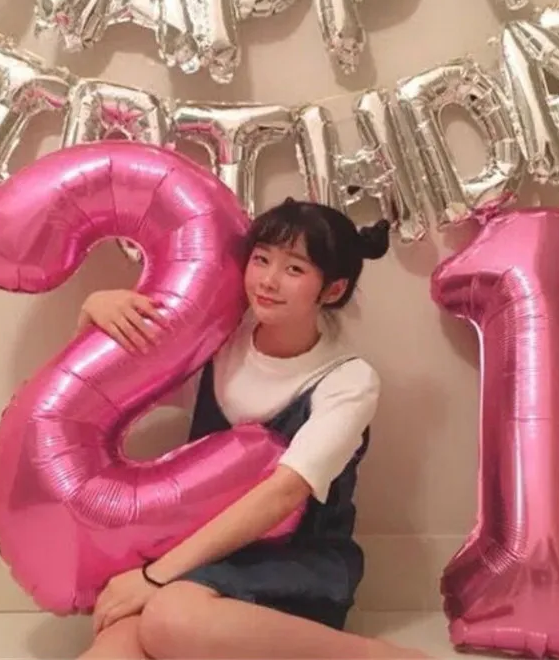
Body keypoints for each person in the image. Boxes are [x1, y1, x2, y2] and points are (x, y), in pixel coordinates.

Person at [76, 198, 429, 659]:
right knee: (116, 641)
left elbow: (282, 495)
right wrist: (94, 309)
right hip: (199, 552)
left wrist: (154, 577)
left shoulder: (348, 380)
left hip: (296, 565)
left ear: (333, 289)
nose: (268, 280)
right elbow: (104, 396)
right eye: (261, 259)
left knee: (171, 617)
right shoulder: (218, 339)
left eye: (294, 269)